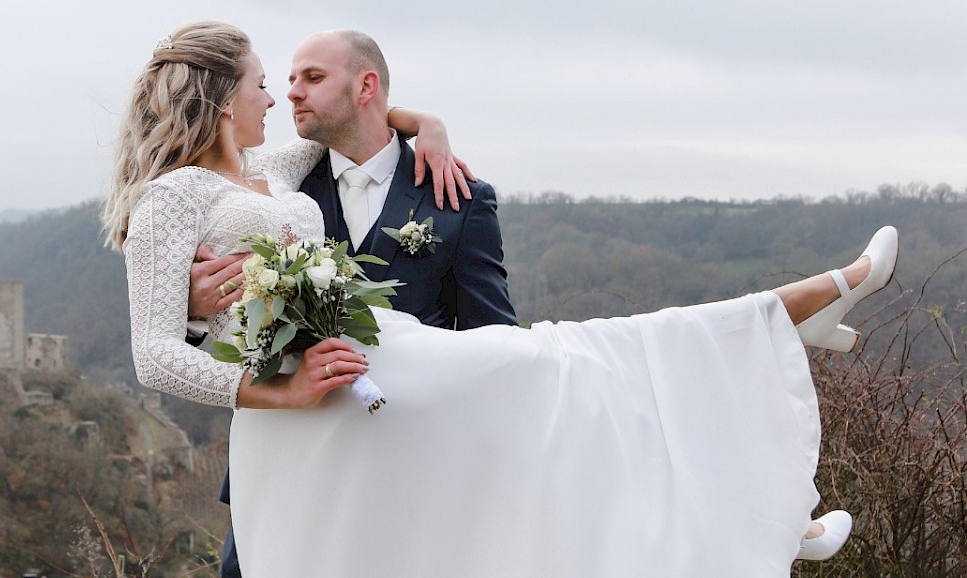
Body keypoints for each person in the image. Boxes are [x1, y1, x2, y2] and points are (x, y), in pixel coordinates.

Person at [102, 21, 890, 577]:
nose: (277, 99)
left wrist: (430, 125)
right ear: (218, 95)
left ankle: (771, 497)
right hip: (309, 415)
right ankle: (787, 332)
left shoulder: (270, 169)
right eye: (263, 85)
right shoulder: (171, 197)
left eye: (290, 83)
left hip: (392, 369)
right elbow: (154, 352)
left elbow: (367, 119)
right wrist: (271, 381)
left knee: (567, 372)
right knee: (562, 368)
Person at [183, 29, 520, 576]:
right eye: (288, 79)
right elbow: (207, 333)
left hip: (405, 470)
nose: (291, 92)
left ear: (366, 86)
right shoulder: (269, 194)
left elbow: (492, 341)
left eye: (312, 78)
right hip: (284, 459)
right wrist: (196, 308)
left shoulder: (458, 198)